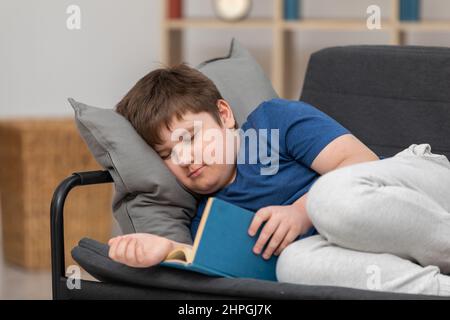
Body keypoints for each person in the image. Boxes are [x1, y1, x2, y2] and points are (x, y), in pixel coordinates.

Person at [109, 63, 450, 296]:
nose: (184, 158)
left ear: (224, 115)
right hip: (370, 245)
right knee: (291, 266)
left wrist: (301, 213)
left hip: (413, 189)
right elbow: (236, 270)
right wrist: (168, 249)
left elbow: (361, 162)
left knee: (328, 200)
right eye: (167, 154)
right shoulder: (209, 215)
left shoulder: (271, 123)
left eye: (189, 137)